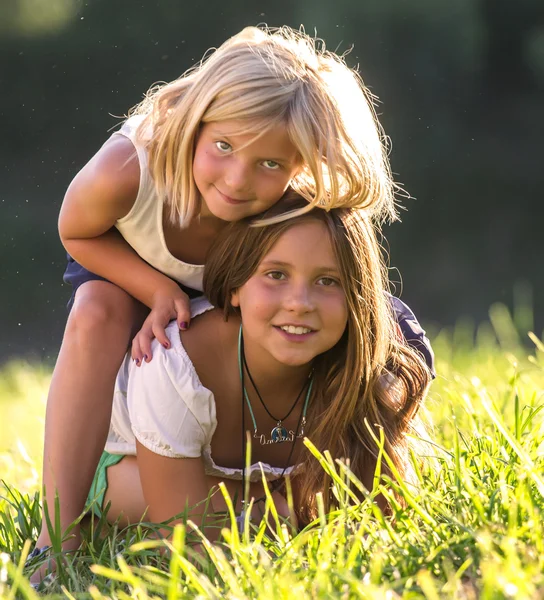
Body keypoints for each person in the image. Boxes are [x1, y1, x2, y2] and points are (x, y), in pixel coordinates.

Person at [36, 25, 403, 556]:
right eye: (224, 147)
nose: (237, 179)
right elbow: (75, 231)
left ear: (299, 165)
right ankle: (58, 532)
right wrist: (156, 288)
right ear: (195, 123)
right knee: (97, 312)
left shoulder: (284, 203)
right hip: (125, 269)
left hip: (224, 296)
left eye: (270, 164)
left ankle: (268, 473)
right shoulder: (128, 168)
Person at [79, 196, 433, 541]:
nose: (299, 303)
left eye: (328, 281)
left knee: (311, 510)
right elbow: (185, 538)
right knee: (277, 516)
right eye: (276, 274)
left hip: (264, 477)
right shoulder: (177, 361)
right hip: (129, 462)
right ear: (235, 285)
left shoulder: (376, 366)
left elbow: (376, 513)